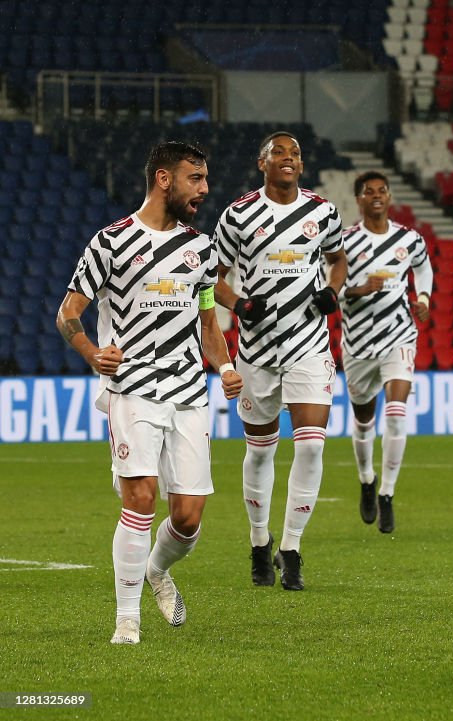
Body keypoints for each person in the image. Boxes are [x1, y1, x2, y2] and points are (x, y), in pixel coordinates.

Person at [56, 141, 244, 645]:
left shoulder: (200, 250)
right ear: (164, 178)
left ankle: (158, 569)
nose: (204, 189)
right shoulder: (110, 242)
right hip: (132, 387)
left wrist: (224, 366)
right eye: (195, 178)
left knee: (187, 516)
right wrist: (93, 354)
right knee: (141, 498)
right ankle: (127, 619)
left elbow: (208, 321)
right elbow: (67, 312)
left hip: (188, 390)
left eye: (204, 179)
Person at [212, 131, 345, 591]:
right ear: (262, 162)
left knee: (310, 445)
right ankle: (257, 541)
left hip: (309, 345)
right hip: (256, 352)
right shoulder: (238, 214)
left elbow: (338, 259)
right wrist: (239, 305)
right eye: (280, 153)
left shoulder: (323, 212)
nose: (289, 159)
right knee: (260, 450)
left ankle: (290, 547)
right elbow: (215, 278)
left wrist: (333, 290)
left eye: (296, 154)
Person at [340, 171, 432, 533]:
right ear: (359, 200)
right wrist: (360, 289)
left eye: (382, 191)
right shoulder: (345, 241)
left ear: (389, 196)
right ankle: (367, 479)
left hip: (399, 336)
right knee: (364, 418)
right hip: (359, 341)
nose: (377, 196)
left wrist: (423, 298)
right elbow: (329, 286)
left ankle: (388, 494)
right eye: (369, 192)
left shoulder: (408, 239)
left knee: (396, 411)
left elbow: (424, 270)